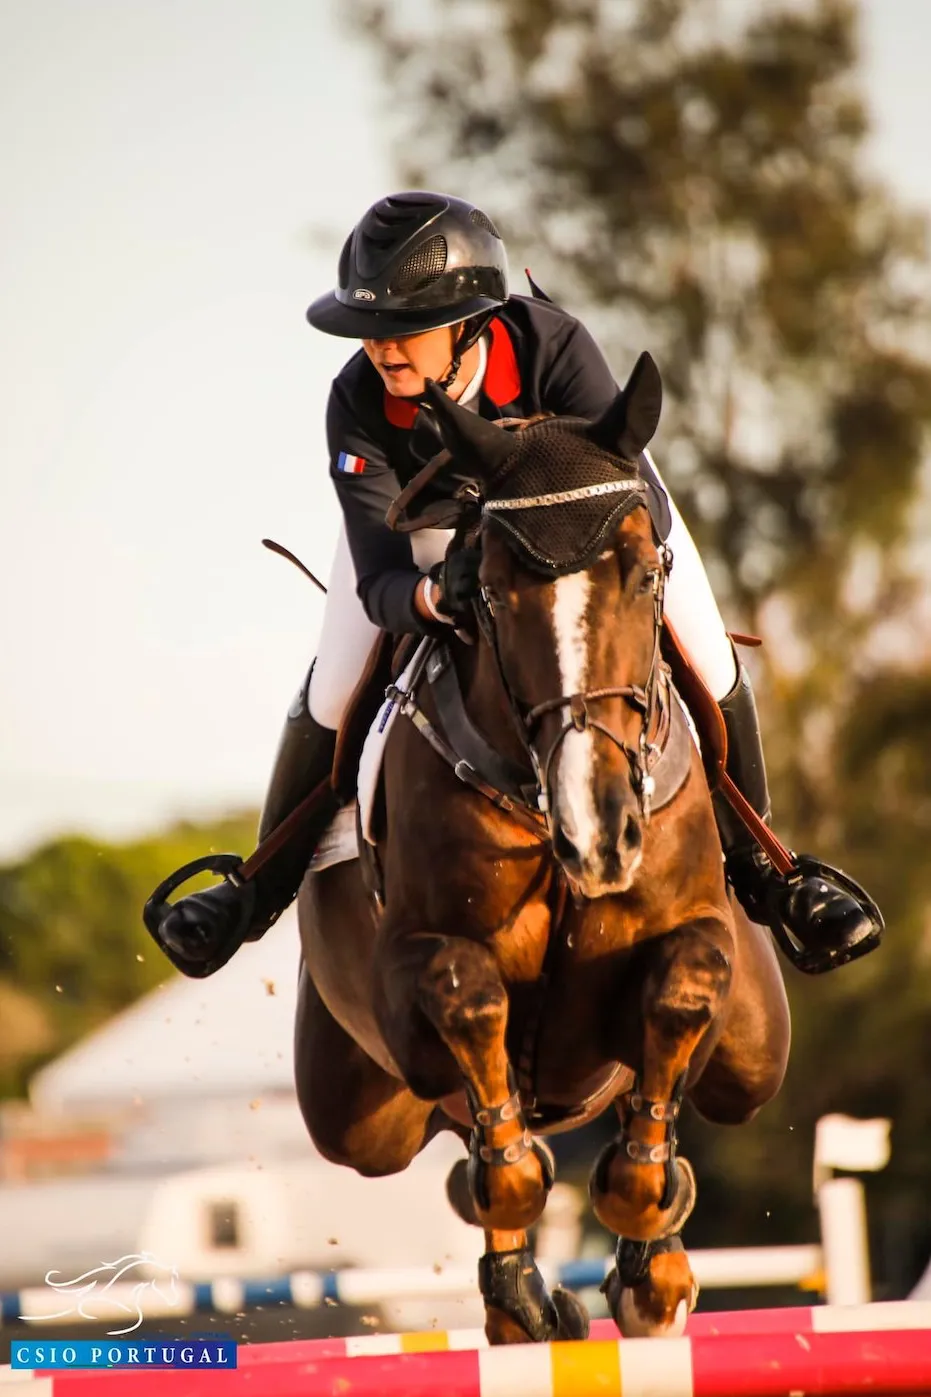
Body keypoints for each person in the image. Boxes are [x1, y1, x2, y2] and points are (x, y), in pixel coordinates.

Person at [153, 190, 880, 976]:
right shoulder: (355, 402)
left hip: (591, 520)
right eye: (369, 332)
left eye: (404, 331)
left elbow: (625, 484)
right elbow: (381, 577)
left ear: (469, 322)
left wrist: (581, 564)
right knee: (333, 690)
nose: (381, 352)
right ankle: (255, 892)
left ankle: (768, 872)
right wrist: (434, 597)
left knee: (709, 654)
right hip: (423, 537)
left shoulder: (550, 344)